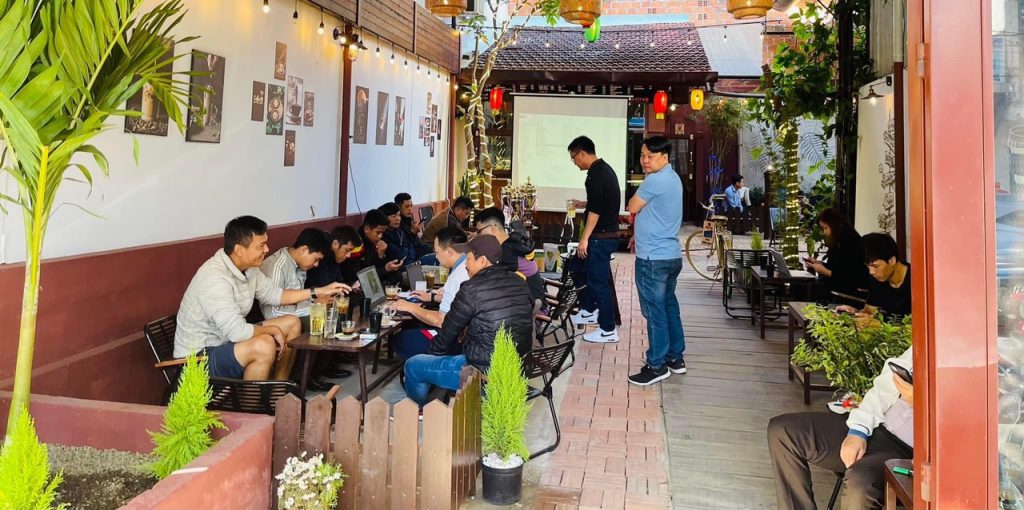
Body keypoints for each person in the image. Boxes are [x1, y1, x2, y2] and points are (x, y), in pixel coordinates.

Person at [174, 216, 348, 380]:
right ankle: (255, 401)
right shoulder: (215, 278)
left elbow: (276, 294)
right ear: (240, 250)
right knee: (263, 345)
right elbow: (237, 332)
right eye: (261, 246)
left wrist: (318, 291)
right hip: (197, 358)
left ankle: (278, 387)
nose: (267, 250)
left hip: (226, 343)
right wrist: (273, 330)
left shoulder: (250, 270)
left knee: (292, 322)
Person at [767, 347, 914, 509]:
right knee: (783, 431)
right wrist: (858, 431)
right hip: (877, 427)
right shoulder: (930, 342)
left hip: (910, 454)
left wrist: (922, 401)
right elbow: (885, 386)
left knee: (860, 483)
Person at [402, 235, 534, 406]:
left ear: (483, 261)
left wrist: (429, 358)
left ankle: (416, 411)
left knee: (413, 366)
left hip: (483, 373)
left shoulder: (471, 289)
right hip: (517, 368)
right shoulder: (520, 282)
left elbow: (447, 334)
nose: (465, 265)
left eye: (469, 259)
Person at [626, 136, 687, 386]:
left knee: (655, 311)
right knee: (669, 307)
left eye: (650, 156)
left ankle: (656, 365)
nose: (645, 161)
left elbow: (632, 206)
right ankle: (675, 358)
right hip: (670, 255)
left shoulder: (655, 180)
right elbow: (654, 213)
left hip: (653, 258)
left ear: (664, 157)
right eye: (642, 155)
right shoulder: (673, 177)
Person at [566, 135, 623, 343]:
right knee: (577, 266)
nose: (574, 162)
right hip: (602, 236)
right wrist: (582, 204)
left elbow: (596, 211)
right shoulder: (601, 170)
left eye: (574, 157)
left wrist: (585, 239)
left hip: (601, 237)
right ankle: (589, 309)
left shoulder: (596, 174)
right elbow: (599, 201)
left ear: (582, 153)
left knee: (600, 284)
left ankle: (608, 329)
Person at [391, 227, 471, 359]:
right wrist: (432, 297)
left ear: (449, 252)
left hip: (455, 339)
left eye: (437, 252)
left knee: (402, 340)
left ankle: (425, 365)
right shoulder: (466, 264)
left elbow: (440, 321)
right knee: (413, 324)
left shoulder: (458, 276)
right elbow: (456, 299)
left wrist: (411, 307)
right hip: (466, 331)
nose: (436, 257)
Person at [473, 207, 545, 304]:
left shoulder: (506, 252)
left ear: (493, 229)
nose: (478, 236)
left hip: (531, 306)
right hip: (536, 298)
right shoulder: (513, 242)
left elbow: (498, 284)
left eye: (479, 231)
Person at [259, 228, 331, 320]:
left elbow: (297, 299)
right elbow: (272, 313)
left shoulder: (300, 264)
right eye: (316, 259)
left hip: (295, 316)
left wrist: (314, 300)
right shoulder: (277, 267)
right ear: (304, 250)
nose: (316, 265)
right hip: (280, 322)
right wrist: (314, 306)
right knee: (323, 319)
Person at [836, 233, 911, 319]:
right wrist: (853, 313)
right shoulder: (876, 280)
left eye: (875, 266)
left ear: (892, 260)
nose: (871, 272)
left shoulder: (917, 279)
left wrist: (878, 324)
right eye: (868, 266)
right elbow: (869, 312)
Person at [802, 208, 870, 300]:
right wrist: (818, 263)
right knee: (807, 287)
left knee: (812, 289)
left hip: (849, 291)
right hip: (836, 287)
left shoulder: (851, 243)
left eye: (826, 228)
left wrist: (825, 272)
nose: (825, 232)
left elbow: (850, 276)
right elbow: (835, 267)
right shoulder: (837, 242)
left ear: (835, 225)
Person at [359, 209, 404, 285]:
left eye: (382, 232)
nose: (380, 236)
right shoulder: (357, 245)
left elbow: (383, 264)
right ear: (367, 229)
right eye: (378, 233)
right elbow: (364, 275)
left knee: (396, 276)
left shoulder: (380, 239)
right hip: (362, 282)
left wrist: (381, 256)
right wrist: (385, 269)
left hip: (379, 275)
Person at [394, 192, 431, 257]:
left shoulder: (408, 219)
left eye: (411, 206)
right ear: (398, 207)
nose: (410, 209)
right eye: (407, 206)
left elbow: (416, 243)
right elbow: (406, 245)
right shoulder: (397, 223)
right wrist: (413, 232)